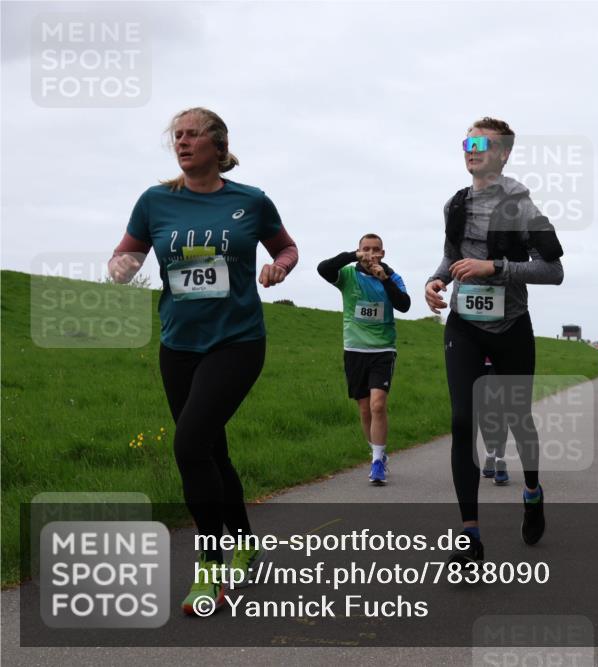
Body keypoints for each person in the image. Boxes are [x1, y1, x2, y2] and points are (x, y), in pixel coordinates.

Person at [108, 107, 298, 616]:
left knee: (189, 444)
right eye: (177, 136)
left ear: (218, 144)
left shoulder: (251, 202)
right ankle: (244, 541)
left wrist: (278, 268)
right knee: (212, 452)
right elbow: (126, 252)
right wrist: (119, 267)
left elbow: (287, 248)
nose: (182, 142)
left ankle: (209, 568)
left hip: (237, 341)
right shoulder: (155, 201)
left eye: (193, 135)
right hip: (178, 345)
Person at [424, 117, 564, 564]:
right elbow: (452, 255)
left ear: (502, 153)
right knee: (463, 420)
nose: (471, 148)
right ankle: (470, 535)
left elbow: (554, 271)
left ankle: (532, 490)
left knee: (518, 419)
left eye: (481, 143)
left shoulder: (526, 210)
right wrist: (436, 280)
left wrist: (496, 268)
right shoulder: (455, 204)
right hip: (464, 324)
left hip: (511, 325)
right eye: (467, 141)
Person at [318, 234, 410, 485]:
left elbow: (404, 305)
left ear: (383, 252)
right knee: (363, 407)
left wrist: (385, 279)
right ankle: (376, 451)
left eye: (375, 249)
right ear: (359, 251)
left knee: (377, 404)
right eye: (365, 249)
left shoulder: (392, 277)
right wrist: (351, 256)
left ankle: (377, 462)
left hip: (382, 350)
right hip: (354, 350)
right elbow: (322, 268)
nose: (371, 253)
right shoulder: (347, 274)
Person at [478, 356, 510, 485]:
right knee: (481, 410)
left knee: (499, 410)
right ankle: (490, 455)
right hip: (475, 358)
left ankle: (500, 460)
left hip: (499, 359)